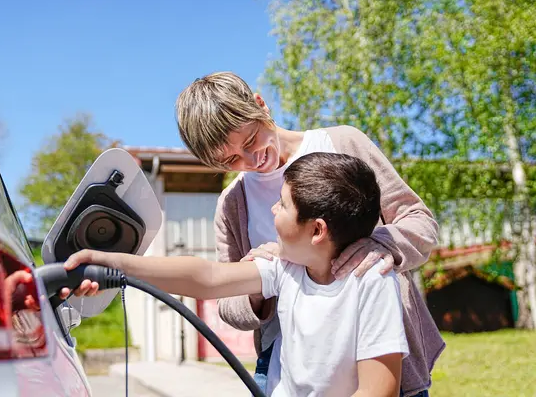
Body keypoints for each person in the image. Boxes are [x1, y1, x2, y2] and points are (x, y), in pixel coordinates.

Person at [174, 72, 445, 397]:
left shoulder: (343, 144)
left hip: (377, 354)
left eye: (250, 140)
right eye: (231, 160)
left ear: (261, 106)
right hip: (289, 373)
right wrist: (256, 287)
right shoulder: (233, 204)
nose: (251, 160)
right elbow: (227, 306)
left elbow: (420, 222)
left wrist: (379, 244)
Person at [64, 152, 410, 397]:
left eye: (283, 205)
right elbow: (207, 276)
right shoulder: (286, 266)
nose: (273, 210)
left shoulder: (372, 282)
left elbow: (378, 389)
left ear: (316, 230)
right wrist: (112, 262)